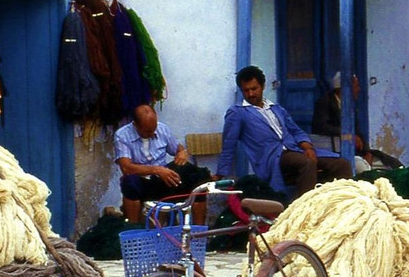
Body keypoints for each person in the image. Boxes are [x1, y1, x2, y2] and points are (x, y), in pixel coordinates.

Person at [218, 65, 352, 200]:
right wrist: (220, 175)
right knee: (307, 163)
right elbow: (229, 145)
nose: (251, 94)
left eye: (254, 89)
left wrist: (307, 146)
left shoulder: (276, 108)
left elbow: (295, 130)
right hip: (271, 158)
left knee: (341, 164)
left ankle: (340, 204)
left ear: (263, 86)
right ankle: (304, 209)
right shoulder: (238, 112)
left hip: (294, 150)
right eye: (246, 90)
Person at [114, 104, 212, 223]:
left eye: (154, 128)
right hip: (143, 181)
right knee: (130, 182)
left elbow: (179, 149)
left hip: (164, 179)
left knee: (197, 176)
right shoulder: (122, 135)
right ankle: (133, 229)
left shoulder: (162, 129)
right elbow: (126, 168)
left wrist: (182, 153)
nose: (153, 132)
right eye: (148, 130)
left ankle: (199, 231)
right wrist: (156, 170)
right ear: (135, 125)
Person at [312, 72, 372, 175]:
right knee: (362, 169)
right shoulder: (325, 103)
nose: (359, 90)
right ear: (345, 88)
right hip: (335, 152)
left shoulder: (350, 105)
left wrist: (367, 152)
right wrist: (347, 134)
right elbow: (321, 127)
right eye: (356, 86)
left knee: (390, 163)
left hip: (355, 152)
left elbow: (358, 132)